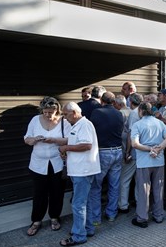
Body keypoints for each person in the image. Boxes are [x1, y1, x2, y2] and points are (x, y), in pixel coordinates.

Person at [24, 97, 71, 236]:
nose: (48, 115)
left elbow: (70, 139)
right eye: (45, 112)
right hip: (38, 164)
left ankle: (54, 217)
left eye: (51, 112)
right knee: (39, 193)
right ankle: (36, 220)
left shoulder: (64, 121)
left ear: (57, 110)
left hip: (57, 163)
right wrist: (34, 139)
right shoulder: (34, 120)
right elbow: (27, 139)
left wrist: (54, 140)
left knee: (57, 192)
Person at [58, 102, 101, 246]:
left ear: (75, 112)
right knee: (84, 202)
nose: (64, 117)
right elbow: (79, 143)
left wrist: (66, 147)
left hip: (83, 171)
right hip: (80, 170)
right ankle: (87, 229)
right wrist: (67, 151)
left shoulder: (84, 124)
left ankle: (78, 236)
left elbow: (86, 145)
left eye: (65, 114)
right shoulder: (77, 125)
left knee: (78, 204)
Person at [131, 102, 166, 228]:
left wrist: (150, 149)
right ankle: (158, 215)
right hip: (159, 161)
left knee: (143, 191)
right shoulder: (159, 123)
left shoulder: (137, 125)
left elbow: (135, 144)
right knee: (158, 189)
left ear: (141, 111)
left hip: (144, 162)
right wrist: (158, 149)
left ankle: (142, 218)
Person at [89, 92, 124, 224]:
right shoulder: (119, 113)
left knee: (96, 186)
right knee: (114, 185)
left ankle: (95, 218)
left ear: (101, 101)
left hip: (103, 152)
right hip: (117, 151)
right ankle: (111, 214)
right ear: (113, 102)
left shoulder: (97, 112)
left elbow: (92, 130)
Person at [118, 93, 143, 213]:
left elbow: (131, 135)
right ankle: (139, 202)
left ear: (131, 103)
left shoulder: (134, 113)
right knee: (139, 180)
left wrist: (127, 152)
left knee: (125, 179)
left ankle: (123, 205)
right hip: (143, 152)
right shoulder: (144, 111)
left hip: (134, 151)